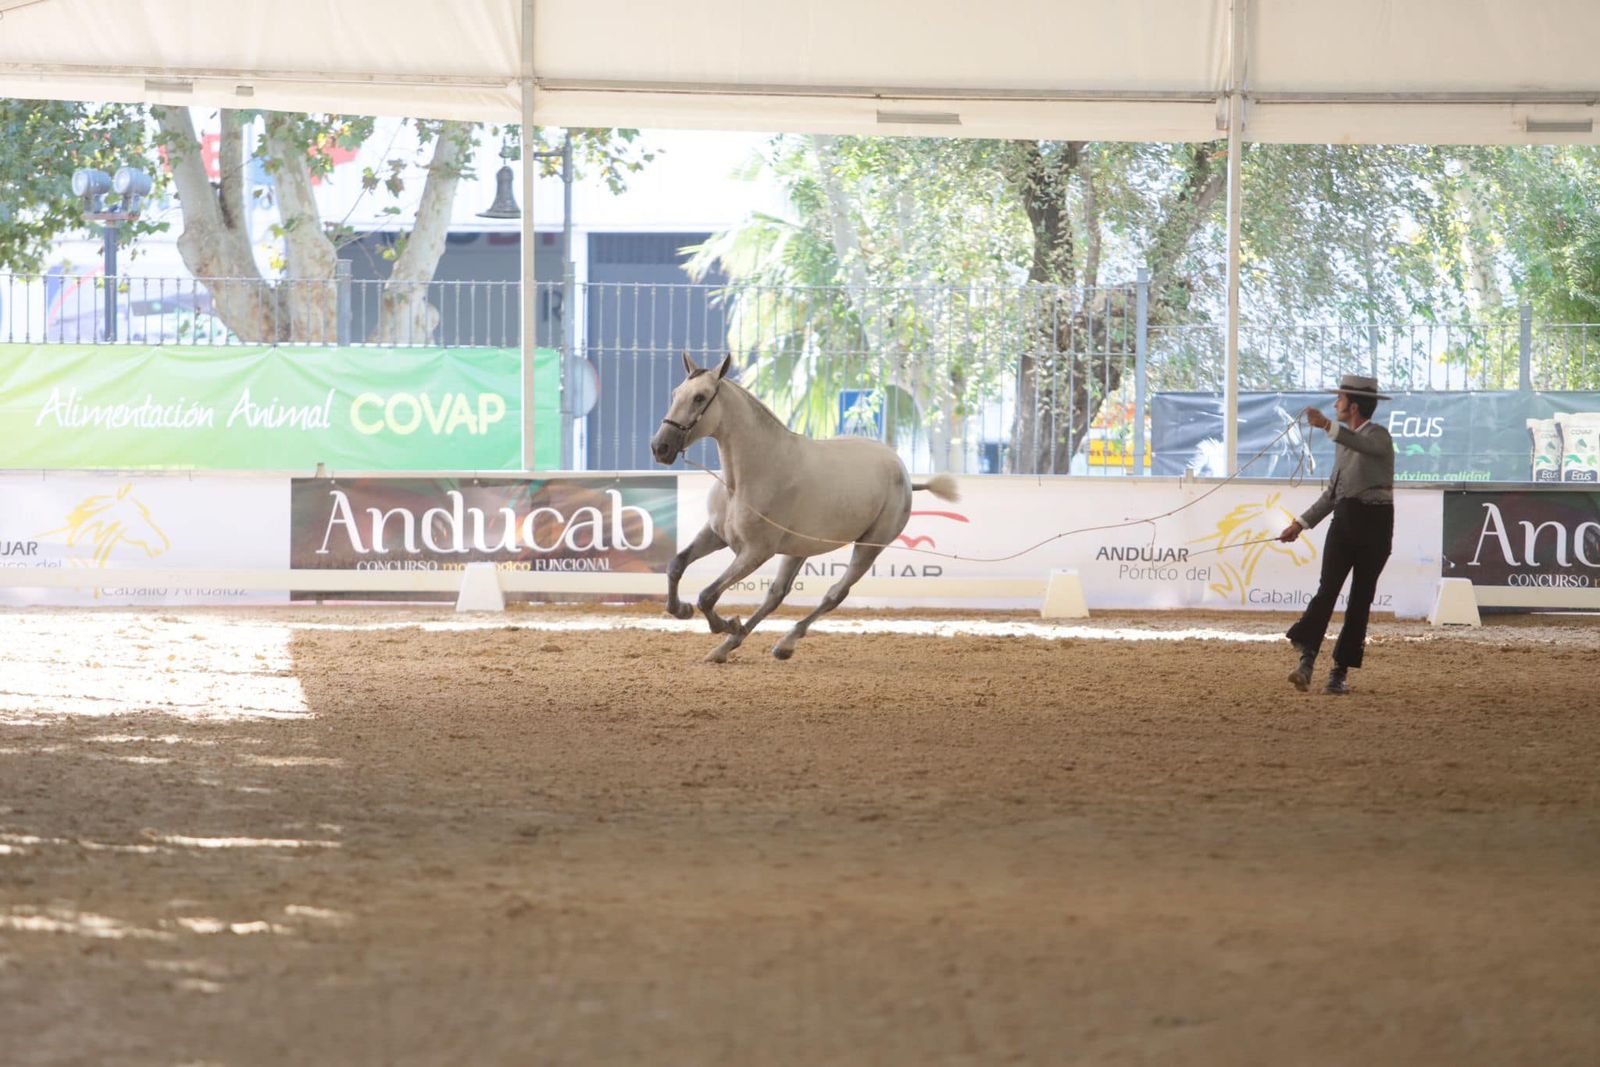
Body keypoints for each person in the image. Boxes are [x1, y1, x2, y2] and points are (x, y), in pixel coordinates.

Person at [1278, 374, 1395, 695]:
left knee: (1361, 598)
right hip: (1346, 521)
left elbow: (1360, 443)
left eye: (1339, 400)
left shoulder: (1379, 438)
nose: (1335, 404)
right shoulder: (1344, 444)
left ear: (1353, 406)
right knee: (1327, 589)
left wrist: (1328, 426)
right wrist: (1300, 524)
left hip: (1375, 524)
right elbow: (1332, 494)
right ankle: (1307, 659)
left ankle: (1339, 671)